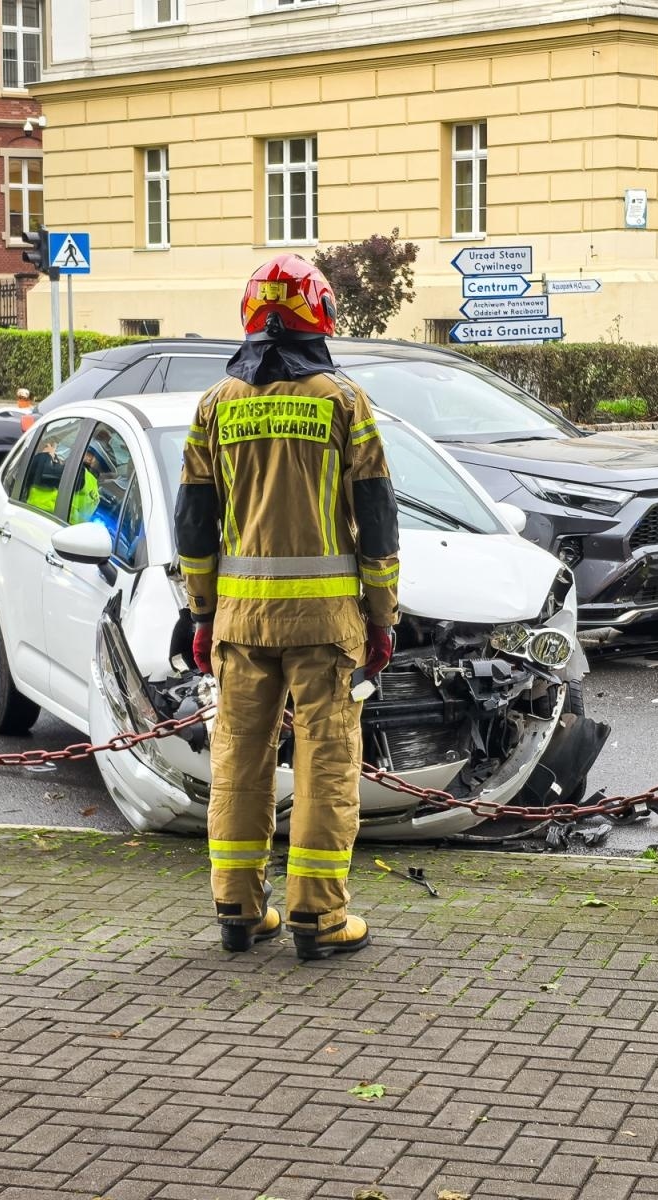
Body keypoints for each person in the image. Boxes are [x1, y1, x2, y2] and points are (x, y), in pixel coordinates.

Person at [176, 253, 400, 961]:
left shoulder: (215, 405)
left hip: (241, 623)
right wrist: (383, 615)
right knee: (326, 765)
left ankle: (238, 910)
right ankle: (317, 918)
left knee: (238, 761)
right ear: (321, 315)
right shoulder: (343, 402)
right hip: (327, 625)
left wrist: (201, 613)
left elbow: (194, 523)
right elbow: (378, 520)